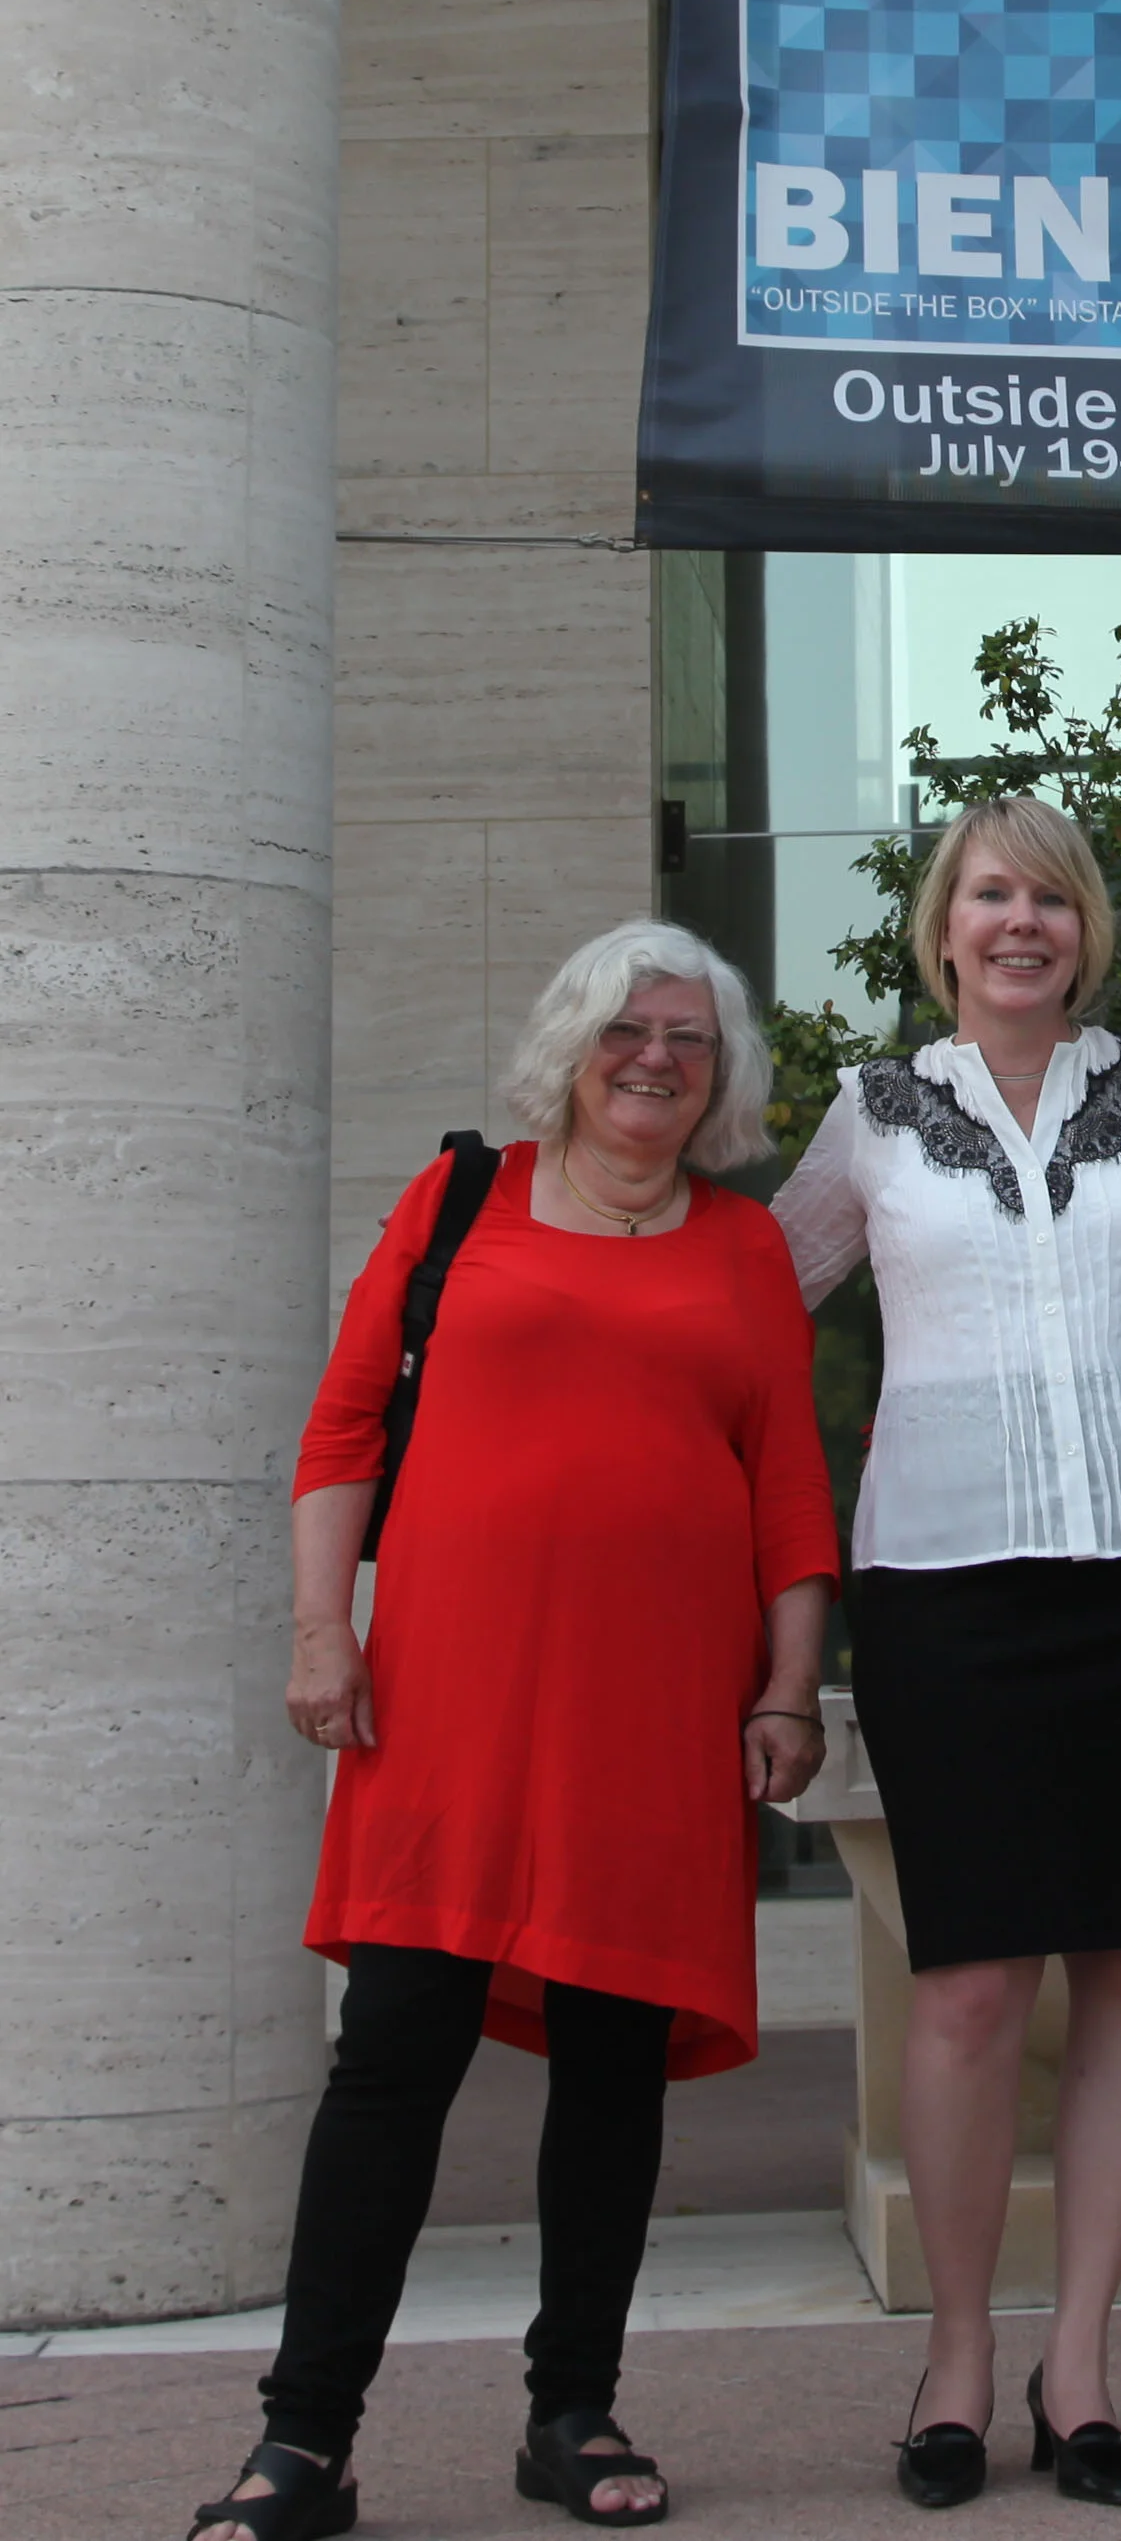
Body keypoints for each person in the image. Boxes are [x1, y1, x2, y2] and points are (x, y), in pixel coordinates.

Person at [188, 923, 840, 2541]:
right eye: (630, 1028)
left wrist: (784, 1688)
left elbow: (789, 1493)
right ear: (573, 1040)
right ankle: (304, 2444)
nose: (658, 1058)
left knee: (615, 2074)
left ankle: (573, 2410)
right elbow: (343, 1425)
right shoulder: (458, 1199)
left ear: (724, 1072)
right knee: (396, 2057)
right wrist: (322, 1630)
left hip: (654, 1712)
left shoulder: (746, 1250)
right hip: (452, 1700)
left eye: (692, 1037)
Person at [773, 796, 1121, 2510]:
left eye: (1052, 896)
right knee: (971, 1985)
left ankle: (1084, 2368)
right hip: (949, 1589)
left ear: (1087, 927)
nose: (1023, 922)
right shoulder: (875, 1114)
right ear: (945, 924)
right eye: (993, 894)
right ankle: (961, 2361)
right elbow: (757, 1307)